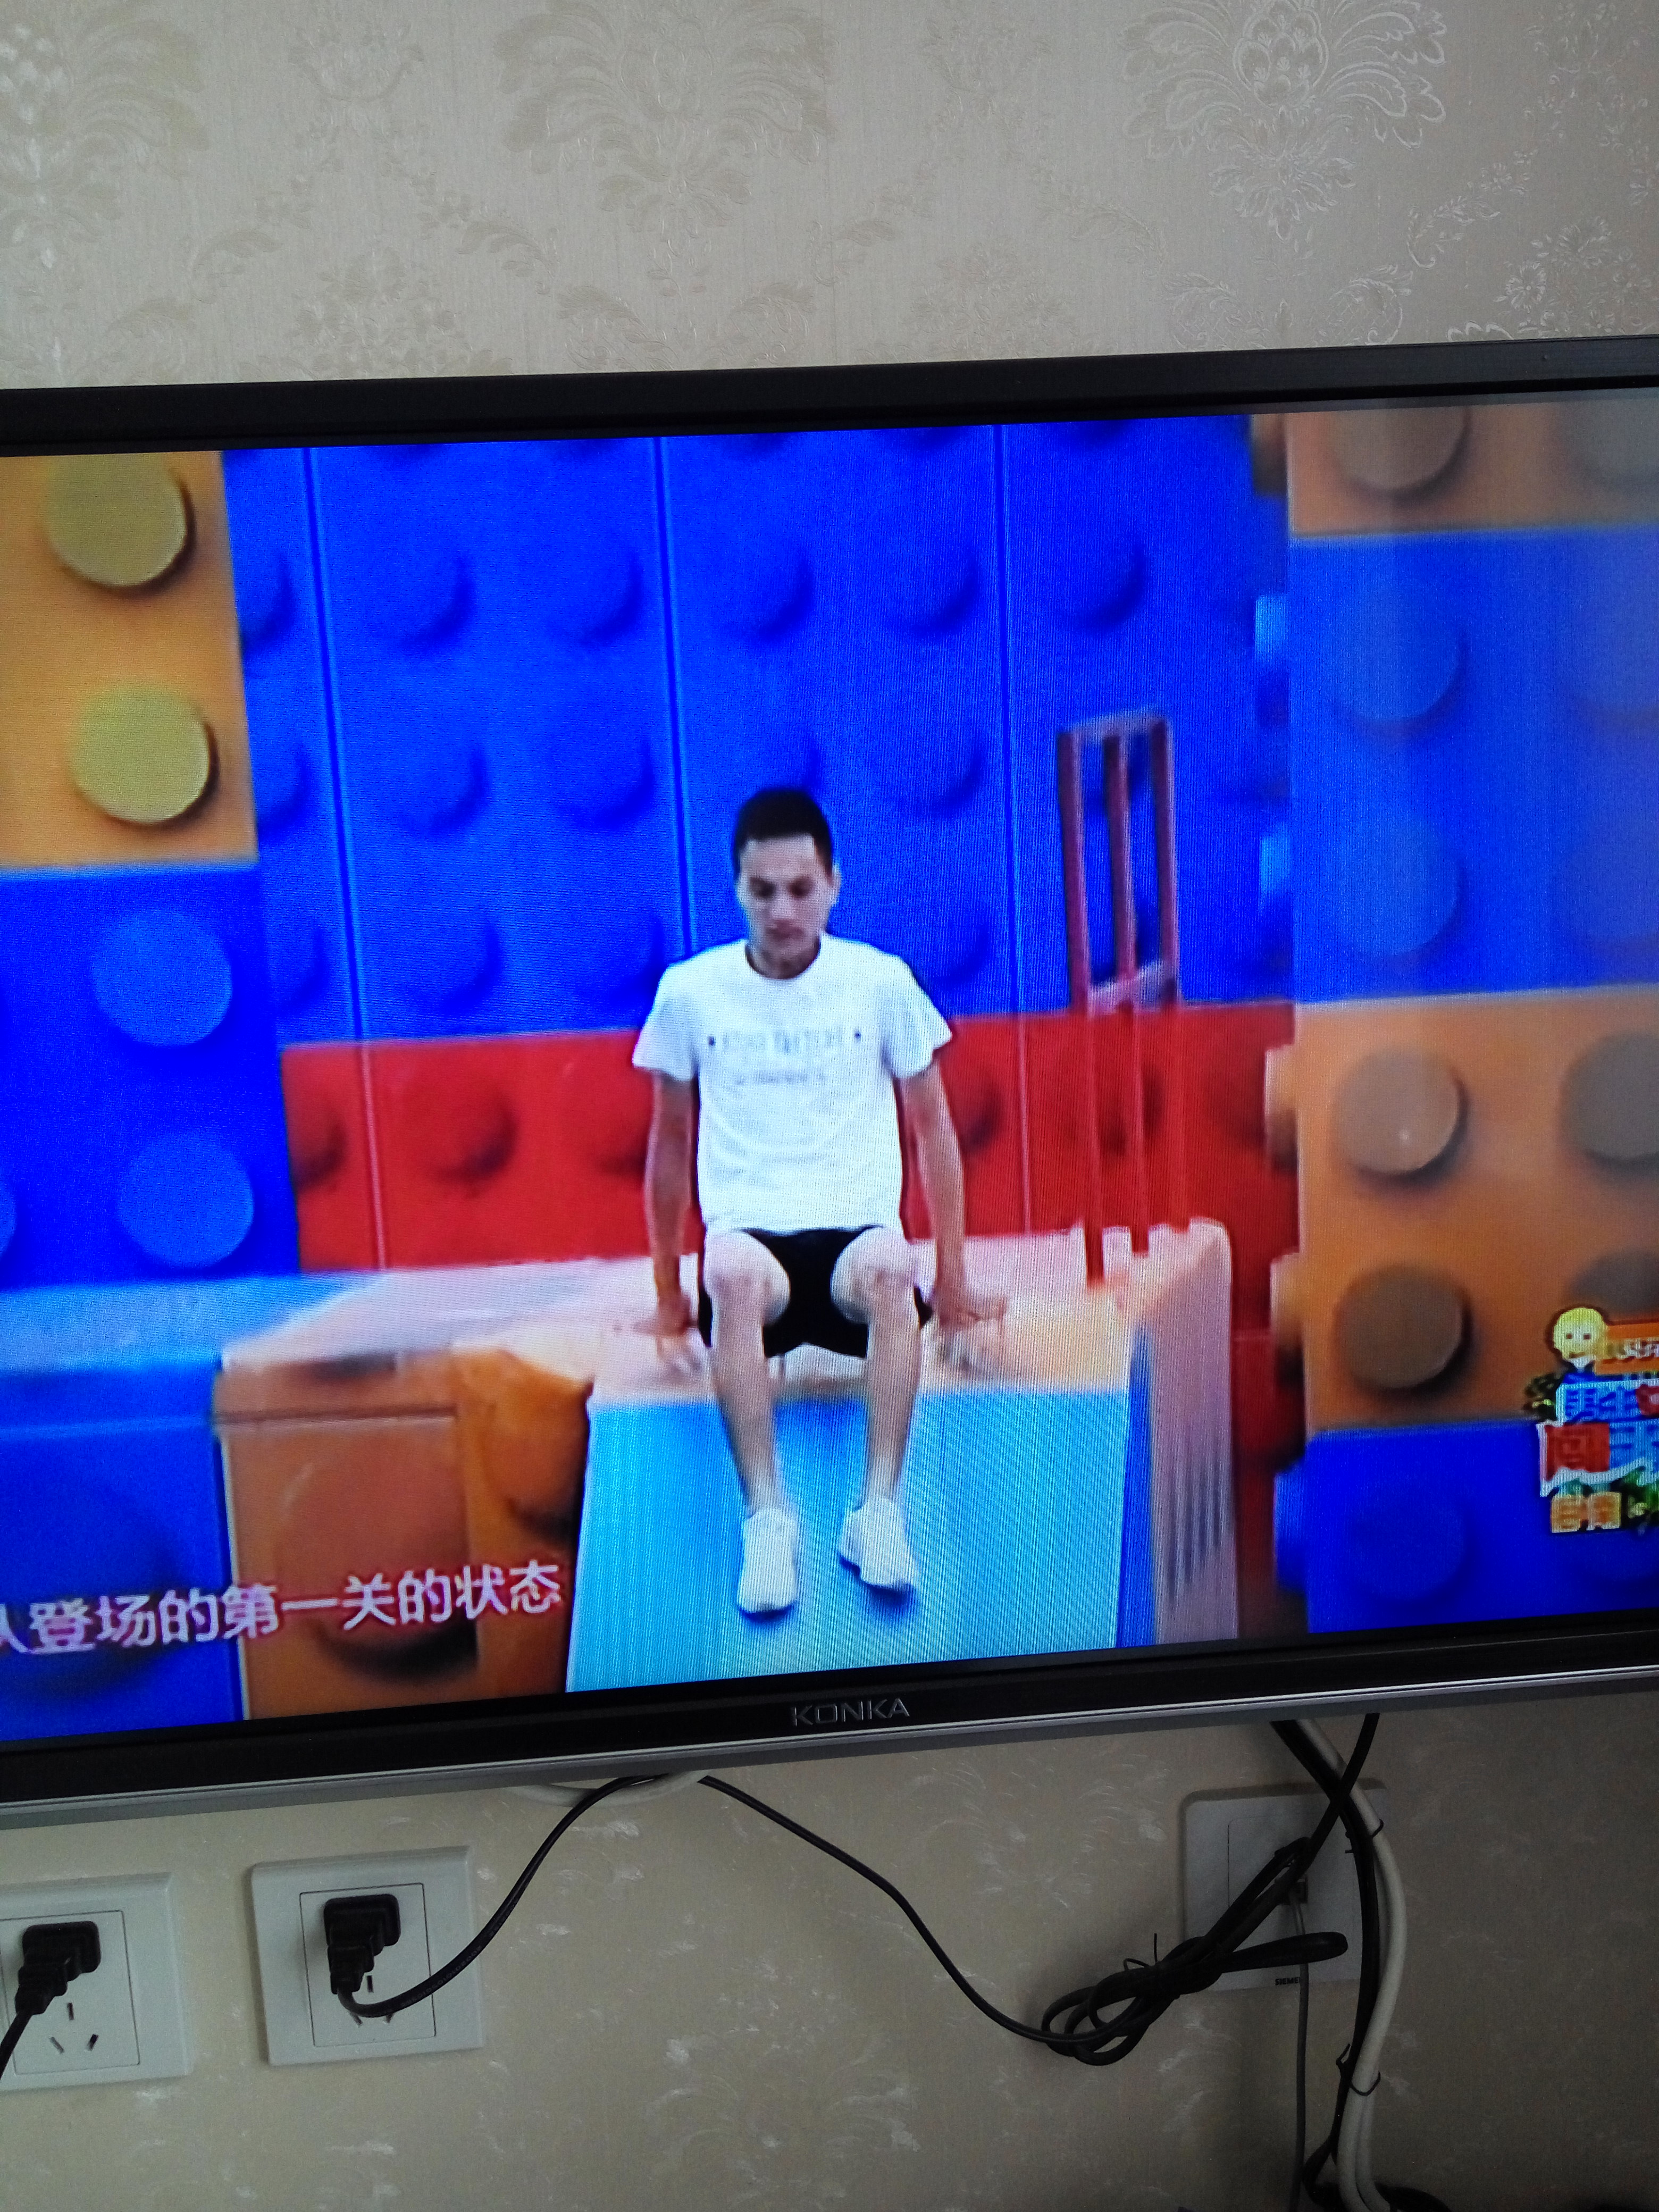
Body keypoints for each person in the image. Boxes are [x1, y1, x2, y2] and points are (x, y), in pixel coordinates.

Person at [633, 787, 1006, 1615]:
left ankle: (878, 1513)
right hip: (752, 1244)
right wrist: (666, 1290)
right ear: (736, 888)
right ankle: (767, 1521)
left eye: (801, 889)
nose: (783, 910)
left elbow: (935, 1130)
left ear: (834, 883)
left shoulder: (880, 982)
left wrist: (951, 1276)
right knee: (730, 1271)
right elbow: (668, 1148)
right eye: (762, 890)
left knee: (890, 1267)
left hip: (853, 1241)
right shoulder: (690, 993)